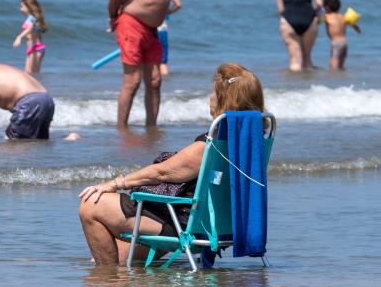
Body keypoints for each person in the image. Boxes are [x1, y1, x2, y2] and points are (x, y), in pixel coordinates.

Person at [78, 62, 265, 266]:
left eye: (213, 92)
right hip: (215, 225)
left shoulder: (209, 147)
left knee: (90, 205)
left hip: (183, 226)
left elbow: (162, 173)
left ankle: (107, 281)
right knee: (119, 255)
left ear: (224, 99)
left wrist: (114, 184)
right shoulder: (249, 144)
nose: (210, 97)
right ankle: (118, 279)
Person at [107, 0, 184, 127]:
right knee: (132, 82)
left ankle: (152, 129)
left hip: (151, 30)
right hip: (131, 25)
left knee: (155, 82)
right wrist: (113, 19)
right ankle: (121, 128)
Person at [275, 0, 323, 72]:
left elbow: (280, 7)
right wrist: (317, 15)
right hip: (309, 18)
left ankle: (293, 89)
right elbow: (319, 3)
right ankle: (312, 89)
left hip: (289, 19)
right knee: (308, 61)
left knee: (295, 62)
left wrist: (285, 15)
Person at [322, 0, 361, 70]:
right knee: (341, 65)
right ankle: (341, 79)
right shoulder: (343, 16)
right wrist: (358, 30)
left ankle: (334, 79)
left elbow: (317, 21)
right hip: (344, 43)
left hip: (336, 43)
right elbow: (355, 26)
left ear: (327, 7)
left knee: (333, 65)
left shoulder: (327, 17)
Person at [13, 0, 47, 74]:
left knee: (30, 74)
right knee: (33, 74)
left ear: (28, 7)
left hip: (35, 49)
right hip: (35, 48)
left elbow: (29, 29)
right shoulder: (33, 19)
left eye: (22, 6)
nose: (20, 9)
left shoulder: (32, 18)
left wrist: (19, 37)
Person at [157, 0, 182, 76]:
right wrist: (169, 12)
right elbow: (178, 4)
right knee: (163, 62)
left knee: (148, 62)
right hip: (162, 28)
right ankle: (166, 85)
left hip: (149, 28)